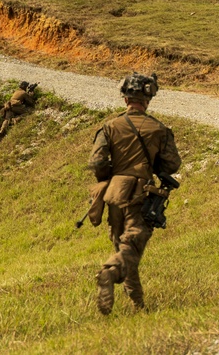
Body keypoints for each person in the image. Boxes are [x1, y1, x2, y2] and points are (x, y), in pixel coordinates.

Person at [88, 72, 181, 315]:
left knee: (126, 248)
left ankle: (139, 306)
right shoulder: (159, 129)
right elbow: (172, 165)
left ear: (125, 97)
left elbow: (97, 162)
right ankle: (109, 272)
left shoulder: (109, 127)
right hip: (142, 194)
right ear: (148, 98)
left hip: (114, 194)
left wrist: (111, 178)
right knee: (132, 246)